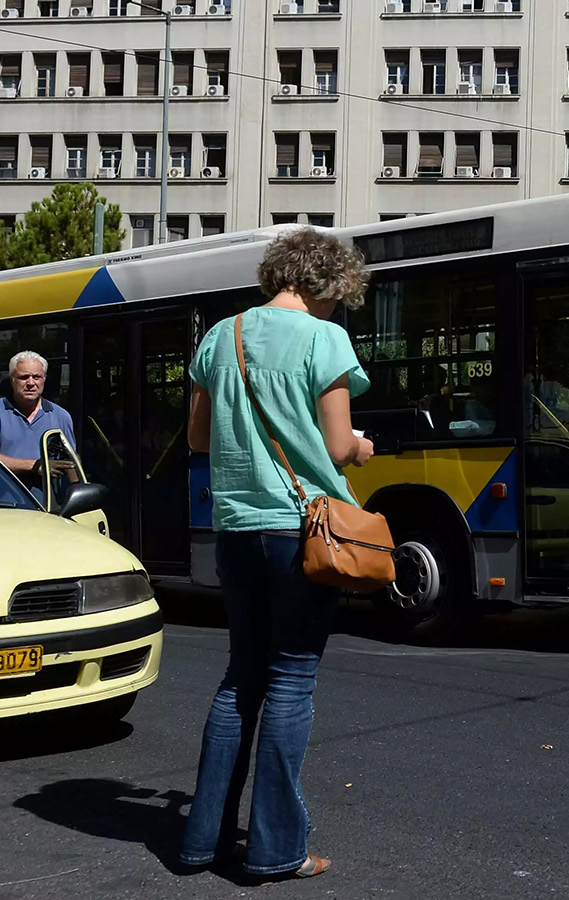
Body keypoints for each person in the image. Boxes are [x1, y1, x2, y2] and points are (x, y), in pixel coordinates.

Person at [179, 228, 374, 880]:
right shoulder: (325, 338)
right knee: (291, 679)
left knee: (242, 678)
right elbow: (338, 445)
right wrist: (360, 448)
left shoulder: (220, 336)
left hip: (236, 530)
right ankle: (276, 850)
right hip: (304, 531)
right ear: (326, 282)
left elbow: (198, 437)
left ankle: (202, 840)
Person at [0, 350, 77, 502]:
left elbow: (70, 461)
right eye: (24, 377)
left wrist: (78, 489)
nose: (31, 383)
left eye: (36, 377)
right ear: (12, 380)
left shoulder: (61, 416)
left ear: (44, 379)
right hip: (0, 504)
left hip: (46, 506)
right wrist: (34, 466)